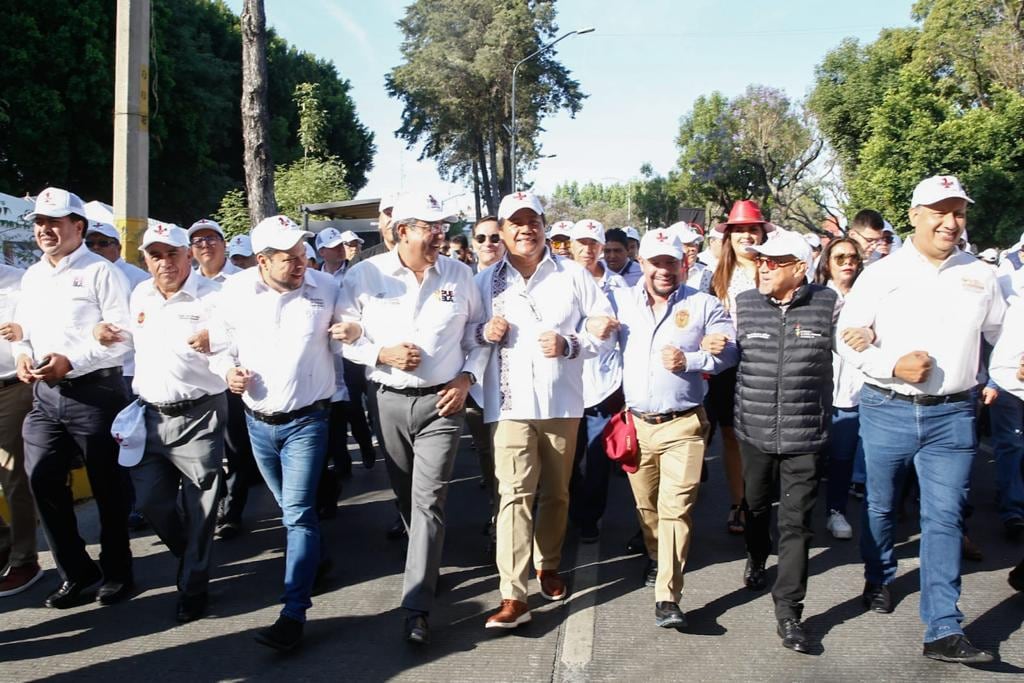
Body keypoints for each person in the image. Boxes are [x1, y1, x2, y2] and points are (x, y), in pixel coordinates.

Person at [837, 175, 1003, 664]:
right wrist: (891, 365)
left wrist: (1002, 371)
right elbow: (846, 334)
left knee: (944, 518)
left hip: (953, 415)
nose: (951, 222)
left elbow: (1001, 332)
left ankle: (943, 627)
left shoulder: (980, 274)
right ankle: (879, 575)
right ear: (914, 215)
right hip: (887, 408)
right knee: (882, 509)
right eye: (940, 211)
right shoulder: (883, 272)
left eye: (959, 213)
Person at [339, 192, 488, 645]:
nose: (440, 233)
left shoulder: (462, 276)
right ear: (402, 231)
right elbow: (342, 335)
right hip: (387, 400)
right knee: (405, 496)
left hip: (443, 404)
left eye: (442, 226)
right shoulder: (365, 274)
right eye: (430, 226)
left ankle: (417, 606)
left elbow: (478, 336)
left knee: (429, 501)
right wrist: (380, 353)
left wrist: (465, 380)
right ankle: (424, 561)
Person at [471, 191, 617, 629]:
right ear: (502, 229)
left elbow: (604, 327)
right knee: (514, 496)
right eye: (515, 222)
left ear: (543, 224)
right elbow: (464, 338)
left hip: (562, 402)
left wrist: (571, 343)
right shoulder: (483, 282)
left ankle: (547, 563)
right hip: (508, 405)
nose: (524, 229)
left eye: (532, 220)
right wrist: (482, 331)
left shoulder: (573, 275)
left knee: (556, 493)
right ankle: (512, 595)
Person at [210, 214, 345, 651]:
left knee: (298, 513)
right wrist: (228, 371)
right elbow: (218, 348)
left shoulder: (326, 288)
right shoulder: (234, 292)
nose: (300, 262)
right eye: (289, 257)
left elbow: (355, 331)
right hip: (257, 423)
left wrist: (355, 330)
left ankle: (292, 614)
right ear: (262, 261)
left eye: (303, 253)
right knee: (290, 508)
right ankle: (317, 560)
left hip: (309, 420)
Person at [99, 223, 228, 623]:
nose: (165, 262)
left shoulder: (217, 297)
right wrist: (108, 336)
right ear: (145, 261)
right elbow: (133, 341)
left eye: (172, 253)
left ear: (188, 255)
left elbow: (240, 342)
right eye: (155, 255)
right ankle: (192, 555)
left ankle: (193, 586)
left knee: (202, 503)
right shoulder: (140, 294)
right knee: (152, 503)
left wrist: (219, 340)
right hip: (150, 415)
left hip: (199, 414)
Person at [13, 187, 133, 608]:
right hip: (46, 395)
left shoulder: (102, 272)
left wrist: (73, 359)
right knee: (41, 476)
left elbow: (123, 338)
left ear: (77, 227)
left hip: (96, 392)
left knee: (108, 486)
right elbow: (23, 332)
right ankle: (76, 570)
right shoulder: (32, 275)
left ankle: (118, 570)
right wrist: (23, 356)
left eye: (54, 222)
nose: (45, 230)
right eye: (40, 223)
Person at [612, 228, 737, 629]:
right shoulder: (620, 301)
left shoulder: (704, 304)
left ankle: (668, 595)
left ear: (683, 264)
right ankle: (654, 554)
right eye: (656, 262)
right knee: (647, 507)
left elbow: (729, 350)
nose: (664, 270)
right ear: (642, 263)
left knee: (676, 508)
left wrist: (696, 359)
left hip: (684, 424)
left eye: (671, 262)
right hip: (637, 425)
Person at [734, 230, 836, 653]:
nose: (762, 266)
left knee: (795, 523)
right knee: (757, 508)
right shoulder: (743, 305)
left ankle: (789, 610)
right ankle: (757, 556)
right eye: (760, 260)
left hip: (804, 434)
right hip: (754, 430)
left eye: (773, 262)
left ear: (799, 268)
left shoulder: (828, 305)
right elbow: (722, 354)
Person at [708, 200, 771, 535]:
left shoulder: (776, 268)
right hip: (727, 370)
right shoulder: (715, 277)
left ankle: (761, 502)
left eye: (752, 229)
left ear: (762, 233)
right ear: (728, 237)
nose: (746, 236)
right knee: (731, 437)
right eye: (739, 230)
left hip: (768, 366)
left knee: (762, 440)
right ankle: (739, 503)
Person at [568, 220, 627, 544]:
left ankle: (589, 518)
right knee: (566, 461)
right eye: (582, 243)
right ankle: (574, 508)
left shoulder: (620, 286)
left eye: (594, 243)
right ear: (571, 245)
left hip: (605, 386)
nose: (588, 249)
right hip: (565, 387)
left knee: (599, 462)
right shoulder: (558, 280)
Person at [813, 237, 866, 539]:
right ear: (828, 264)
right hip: (816, 390)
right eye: (840, 257)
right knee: (809, 458)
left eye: (853, 257)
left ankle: (836, 510)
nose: (847, 262)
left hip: (854, 390)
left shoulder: (869, 296)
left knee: (843, 457)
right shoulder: (816, 297)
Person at [0, 265, 42, 597]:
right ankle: (3, 541)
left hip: (12, 387)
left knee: (13, 475)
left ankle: (24, 559)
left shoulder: (20, 280)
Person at [988, 298, 1024, 540]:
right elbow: (987, 335)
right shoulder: (1005, 284)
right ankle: (1013, 510)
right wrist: (990, 382)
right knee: (1011, 445)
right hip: (1007, 383)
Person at [351, 192, 398, 265]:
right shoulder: (361, 262)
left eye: (398, 214)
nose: (393, 220)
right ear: (379, 222)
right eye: (389, 214)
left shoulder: (421, 261)